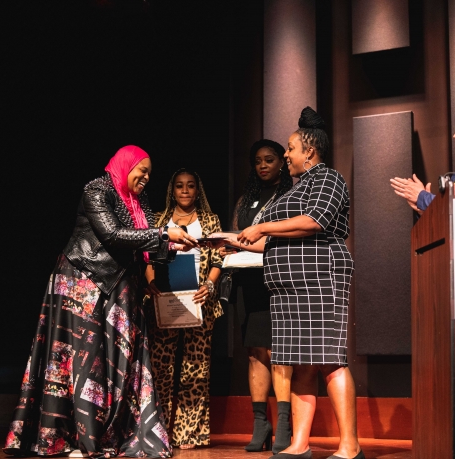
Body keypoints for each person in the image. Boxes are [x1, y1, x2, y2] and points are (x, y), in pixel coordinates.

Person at [3, 146, 197, 458]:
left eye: (150, 173)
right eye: (141, 170)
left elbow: (145, 241)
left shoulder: (139, 200)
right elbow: (113, 234)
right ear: (125, 165)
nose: (146, 177)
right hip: (82, 281)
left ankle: (112, 432)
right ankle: (78, 438)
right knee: (84, 360)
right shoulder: (97, 190)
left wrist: (174, 244)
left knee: (120, 359)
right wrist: (163, 233)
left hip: (118, 284)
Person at [214, 107, 363, 459]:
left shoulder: (328, 178)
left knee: (329, 361)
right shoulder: (294, 190)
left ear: (309, 151)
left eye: (291, 148)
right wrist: (229, 239)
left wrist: (262, 226)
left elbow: (314, 221)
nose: (286, 155)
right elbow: (273, 241)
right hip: (288, 290)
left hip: (319, 280)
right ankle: (299, 443)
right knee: (300, 363)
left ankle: (350, 445)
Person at [144, 168, 223, 449]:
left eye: (191, 186)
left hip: (199, 302)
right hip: (164, 301)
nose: (185, 190)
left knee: (195, 370)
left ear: (198, 190)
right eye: (180, 186)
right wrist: (151, 283)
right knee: (161, 369)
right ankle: (157, 430)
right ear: (172, 190)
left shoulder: (211, 221)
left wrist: (210, 286)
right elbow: (148, 259)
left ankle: (190, 432)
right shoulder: (158, 221)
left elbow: (217, 260)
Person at [228, 139, 294, 453]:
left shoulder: (291, 196)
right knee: (255, 353)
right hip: (247, 282)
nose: (263, 165)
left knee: (278, 351)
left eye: (269, 159)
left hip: (277, 280)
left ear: (282, 161)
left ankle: (285, 423)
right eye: (258, 161)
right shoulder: (246, 200)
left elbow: (282, 241)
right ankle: (260, 423)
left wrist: (238, 242)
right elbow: (235, 234)